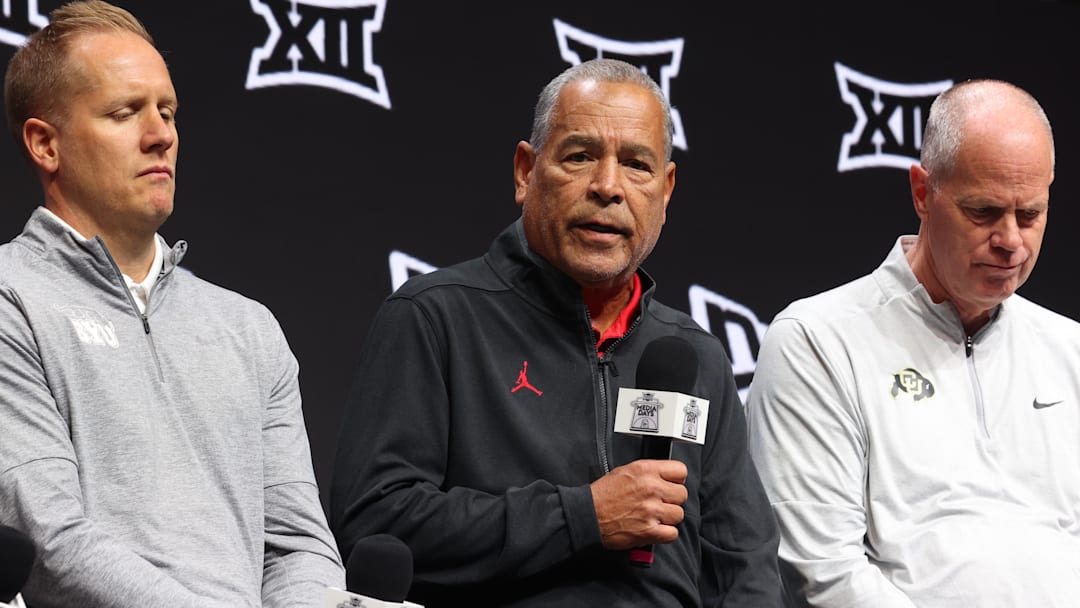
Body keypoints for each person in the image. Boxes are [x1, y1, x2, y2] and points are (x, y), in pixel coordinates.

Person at [330, 58, 782, 607]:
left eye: (636, 165)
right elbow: (376, 521)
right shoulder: (435, 318)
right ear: (526, 171)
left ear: (665, 191)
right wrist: (583, 516)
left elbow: (742, 565)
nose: (608, 187)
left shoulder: (694, 356)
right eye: (581, 156)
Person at [0, 2, 344, 606]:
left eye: (167, 110)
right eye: (124, 111)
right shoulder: (11, 296)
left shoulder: (248, 328)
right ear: (45, 144)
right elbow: (51, 539)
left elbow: (299, 546)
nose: (161, 134)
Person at [745, 79, 1080, 607]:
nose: (1011, 241)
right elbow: (821, 572)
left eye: (1030, 214)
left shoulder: (1071, 350)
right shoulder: (816, 341)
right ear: (923, 193)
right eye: (984, 212)